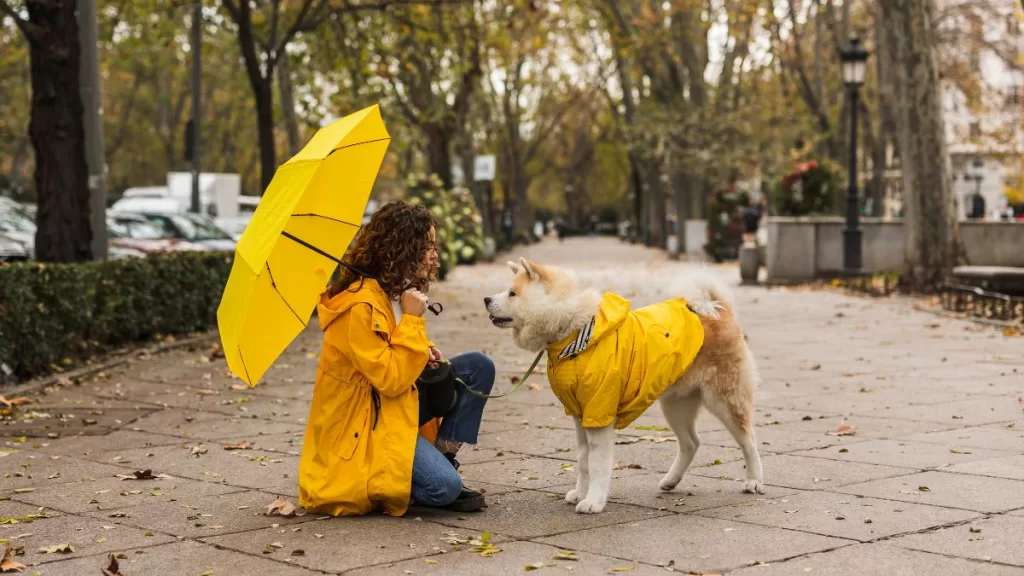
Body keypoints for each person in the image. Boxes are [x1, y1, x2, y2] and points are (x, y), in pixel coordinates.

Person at [298, 200, 495, 517]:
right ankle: (407, 480)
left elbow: (395, 347)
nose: (434, 254)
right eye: (426, 245)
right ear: (401, 248)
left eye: (434, 244)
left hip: (399, 403)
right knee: (444, 488)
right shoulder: (359, 307)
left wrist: (424, 347)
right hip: (369, 423)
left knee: (477, 367)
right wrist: (414, 323)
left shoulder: (395, 291)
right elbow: (390, 380)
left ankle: (441, 458)